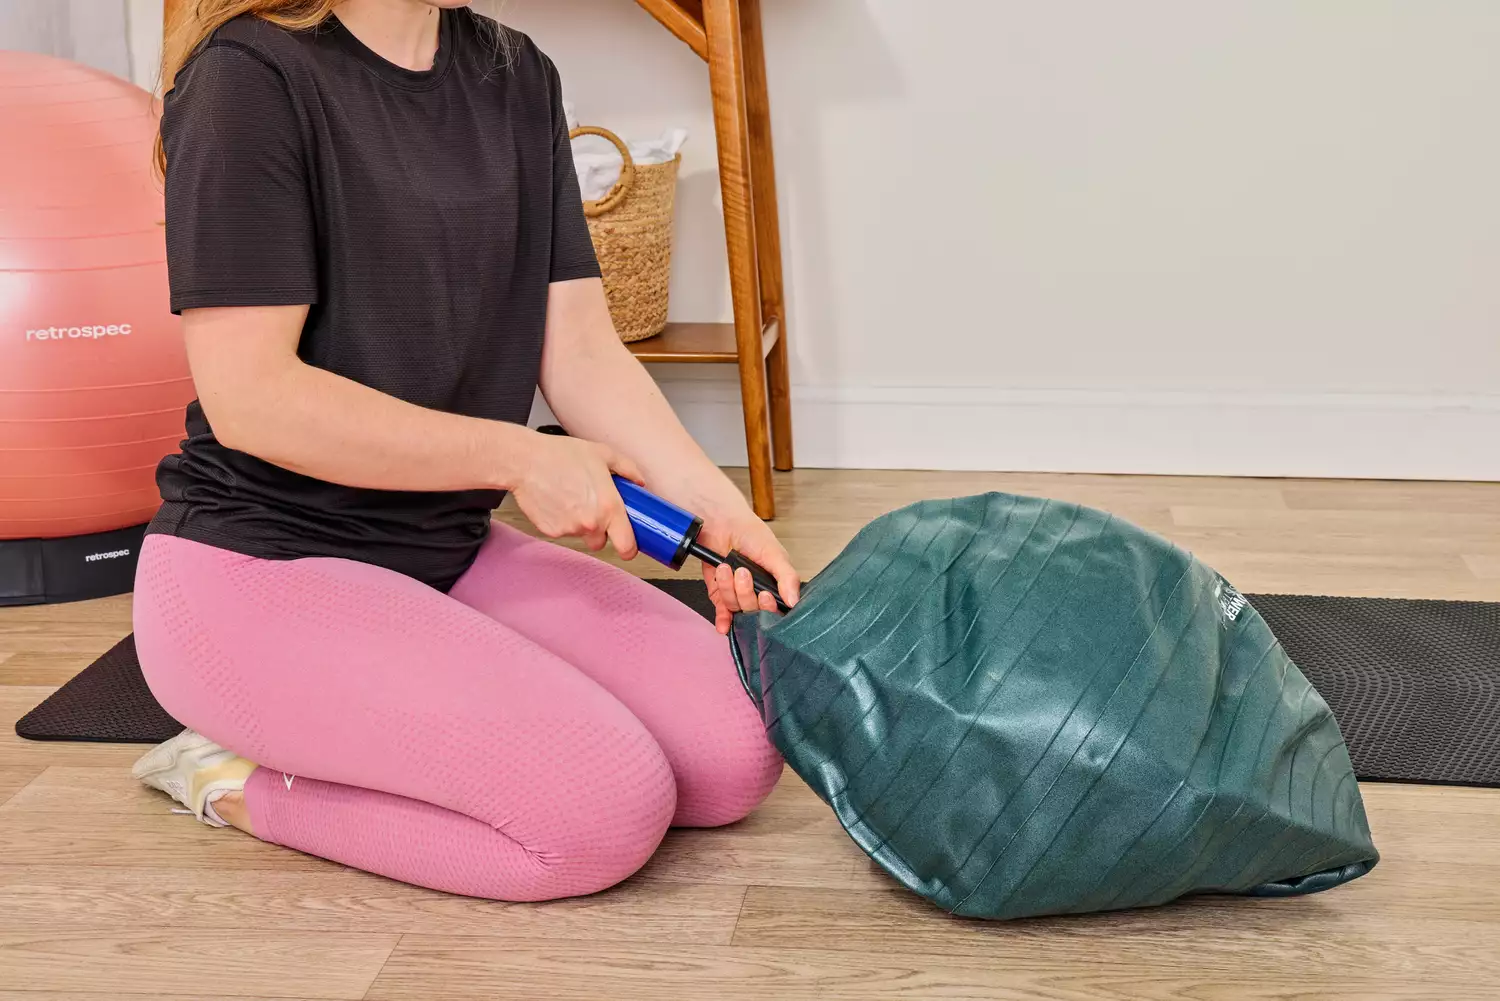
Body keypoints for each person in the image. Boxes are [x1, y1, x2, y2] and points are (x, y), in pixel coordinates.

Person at [129, 0, 798, 902]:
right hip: (258, 568)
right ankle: (226, 776)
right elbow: (252, 398)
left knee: (738, 749)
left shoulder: (516, 72)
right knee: (603, 809)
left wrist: (715, 503)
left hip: (446, 549)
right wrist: (520, 460)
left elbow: (579, 348)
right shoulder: (247, 79)